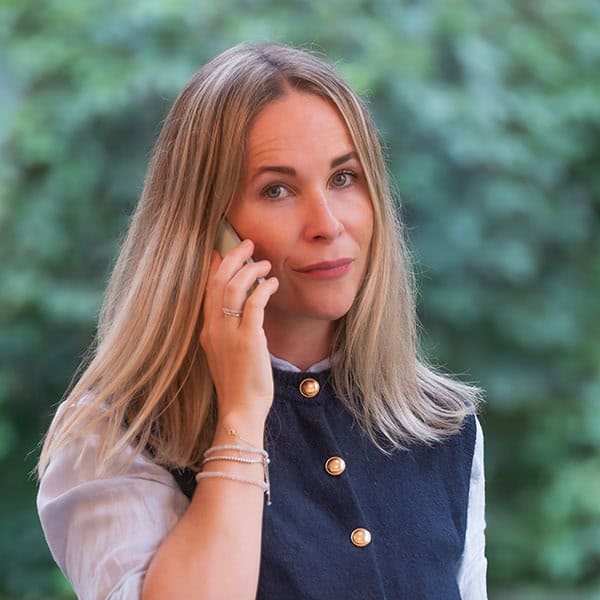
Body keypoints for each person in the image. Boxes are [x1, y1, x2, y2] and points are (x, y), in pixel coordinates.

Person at [37, 42, 487, 599]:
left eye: (343, 178)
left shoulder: (442, 426)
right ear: (205, 227)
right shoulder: (115, 436)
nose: (327, 224)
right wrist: (241, 415)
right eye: (277, 190)